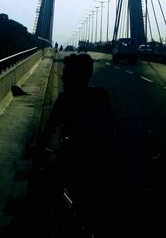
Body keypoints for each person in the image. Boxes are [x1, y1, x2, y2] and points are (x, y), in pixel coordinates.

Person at [36, 54, 114, 235]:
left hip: (73, 161)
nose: (62, 77)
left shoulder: (65, 99)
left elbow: (49, 131)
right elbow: (110, 132)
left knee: (45, 186)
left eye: (67, 73)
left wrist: (39, 148)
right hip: (99, 162)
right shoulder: (102, 96)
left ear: (76, 76)